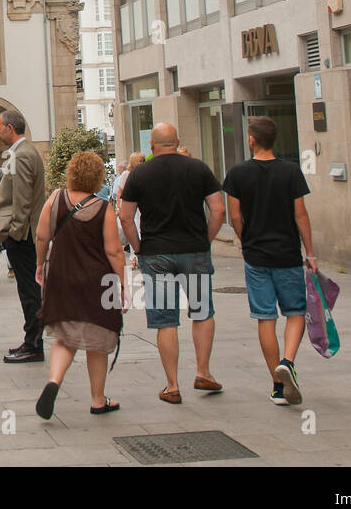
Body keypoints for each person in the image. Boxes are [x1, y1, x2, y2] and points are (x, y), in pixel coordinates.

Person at [118, 122, 225, 404]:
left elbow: (125, 216)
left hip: (156, 253)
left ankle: (172, 385)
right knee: (202, 312)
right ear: (177, 141)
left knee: (166, 320)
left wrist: (139, 248)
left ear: (151, 146)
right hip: (194, 250)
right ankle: (203, 372)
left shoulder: (139, 173)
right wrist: (206, 238)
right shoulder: (198, 168)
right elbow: (218, 209)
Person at [223, 116, 317, 406]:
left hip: (257, 255)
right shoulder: (291, 172)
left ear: (251, 140)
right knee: (295, 311)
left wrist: (243, 240)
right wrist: (310, 253)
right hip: (287, 253)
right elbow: (300, 214)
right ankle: (287, 361)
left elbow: (235, 216)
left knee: (265, 316)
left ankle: (277, 385)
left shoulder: (237, 174)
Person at [34, 151, 127, 419]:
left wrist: (41, 264)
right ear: (98, 177)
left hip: (61, 276)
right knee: (97, 339)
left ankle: (54, 381)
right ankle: (98, 399)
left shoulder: (55, 199)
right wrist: (121, 283)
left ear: (71, 172)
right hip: (96, 281)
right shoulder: (104, 209)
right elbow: (114, 252)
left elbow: (42, 237)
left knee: (65, 336)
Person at [0, 110, 48, 363]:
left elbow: (23, 199)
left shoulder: (22, 155)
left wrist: (14, 232)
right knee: (29, 290)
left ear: (11, 128)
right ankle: (31, 342)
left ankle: (34, 345)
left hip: (23, 236)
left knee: (29, 292)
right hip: (24, 234)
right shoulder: (23, 153)